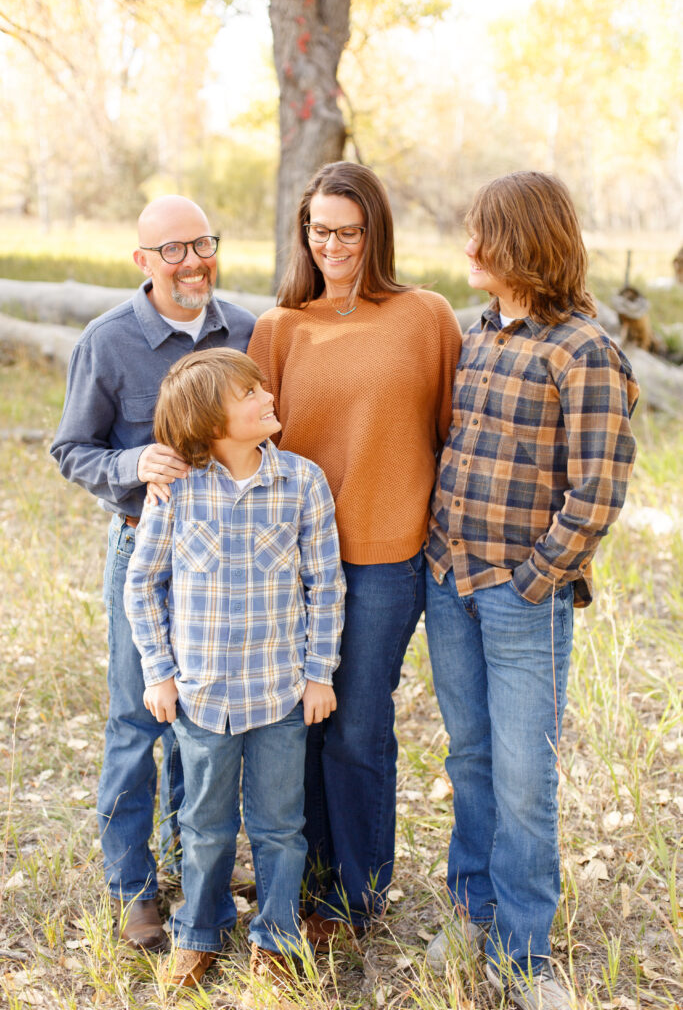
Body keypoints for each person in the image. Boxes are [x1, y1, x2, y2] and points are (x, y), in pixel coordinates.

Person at [424, 171, 639, 1009]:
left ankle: (524, 957)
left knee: (522, 776)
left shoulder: (585, 350)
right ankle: (469, 912)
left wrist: (534, 578)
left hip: (521, 597)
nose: (468, 247)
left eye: (482, 233)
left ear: (523, 241)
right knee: (469, 759)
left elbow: (596, 491)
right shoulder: (473, 336)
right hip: (449, 584)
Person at [247, 161, 461, 944]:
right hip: (290, 562)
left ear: (374, 232)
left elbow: (449, 431)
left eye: (347, 230)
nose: (331, 244)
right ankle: (302, 874)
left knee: (356, 725)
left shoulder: (426, 318)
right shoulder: (279, 328)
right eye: (317, 229)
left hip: (383, 557)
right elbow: (253, 445)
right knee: (294, 724)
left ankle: (356, 893)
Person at [50, 196, 256, 951]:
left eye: (202, 244)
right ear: (142, 262)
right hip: (145, 552)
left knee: (203, 718)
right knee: (139, 720)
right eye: (172, 250)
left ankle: (192, 859)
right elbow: (71, 449)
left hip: (226, 570)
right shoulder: (108, 342)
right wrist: (134, 463)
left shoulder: (246, 331)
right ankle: (134, 888)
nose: (192, 262)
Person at [123, 348, 345, 988]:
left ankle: (276, 936)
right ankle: (201, 931)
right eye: (248, 394)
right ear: (211, 421)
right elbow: (144, 585)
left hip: (279, 695)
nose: (265, 398)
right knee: (205, 824)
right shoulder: (177, 492)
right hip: (202, 697)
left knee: (281, 826)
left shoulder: (303, 482)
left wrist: (318, 673)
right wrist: (159, 671)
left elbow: (324, 587)